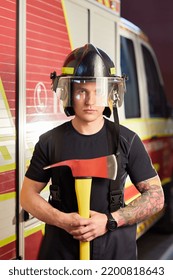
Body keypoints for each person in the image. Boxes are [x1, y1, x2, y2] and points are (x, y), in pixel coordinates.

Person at [20, 44, 164, 260]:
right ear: (68, 93)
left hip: (115, 250)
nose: (90, 101)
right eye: (81, 92)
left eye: (98, 92)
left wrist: (110, 220)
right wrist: (63, 220)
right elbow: (27, 195)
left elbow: (156, 196)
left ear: (110, 94)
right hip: (61, 249)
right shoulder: (50, 141)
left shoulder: (127, 140)